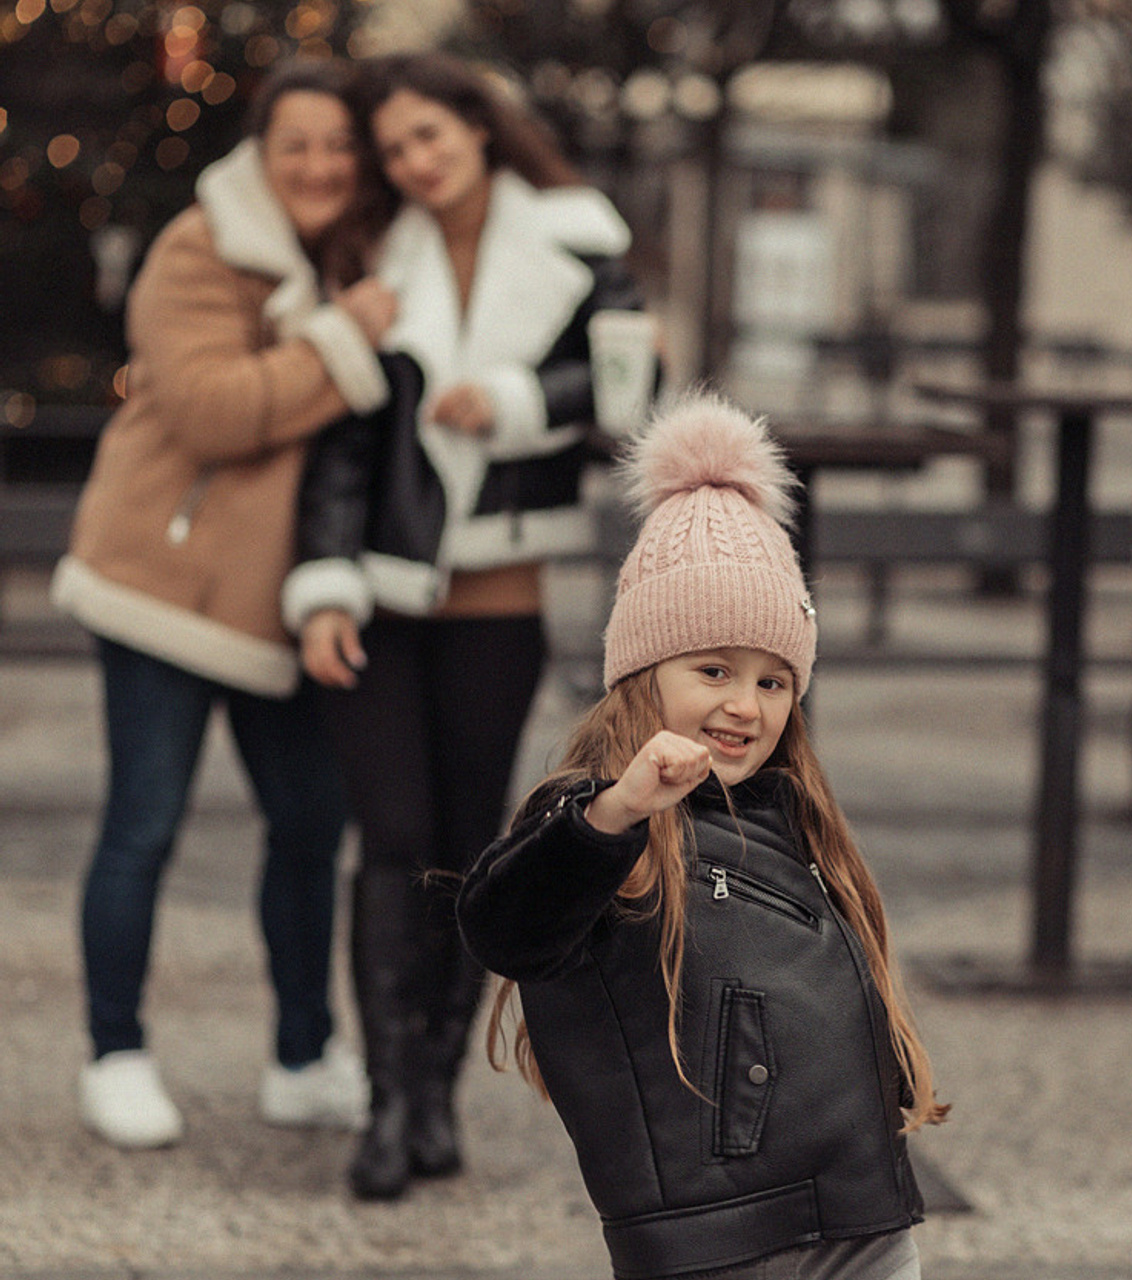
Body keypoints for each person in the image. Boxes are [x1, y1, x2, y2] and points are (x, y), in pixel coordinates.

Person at [457, 394, 950, 1280]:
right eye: (713, 670)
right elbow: (503, 928)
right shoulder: (597, 820)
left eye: (772, 681)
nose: (744, 704)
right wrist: (616, 814)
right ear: (643, 671)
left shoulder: (788, 807)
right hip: (713, 1236)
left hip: (862, 1216)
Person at [281, 50, 651, 1201]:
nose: (412, 162)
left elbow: (632, 384)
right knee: (389, 841)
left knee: (459, 845)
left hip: (499, 588)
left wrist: (517, 400)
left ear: (481, 127)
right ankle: (391, 1104)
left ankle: (436, 1092)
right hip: (381, 592)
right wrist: (325, 581)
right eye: (394, 148)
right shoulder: (368, 259)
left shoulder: (578, 240)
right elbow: (342, 443)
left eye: (429, 136)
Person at [50, 58, 399, 1150]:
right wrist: (345, 341)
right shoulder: (200, 247)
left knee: (309, 827)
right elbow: (208, 411)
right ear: (259, 149)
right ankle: (116, 1052)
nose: (319, 165)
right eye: (296, 144)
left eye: (339, 146)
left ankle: (301, 1053)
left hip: (286, 601)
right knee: (142, 825)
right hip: (164, 578)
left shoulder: (362, 254)